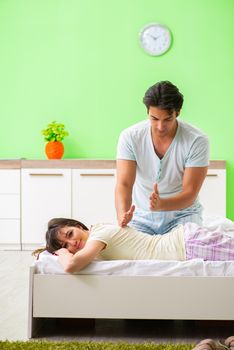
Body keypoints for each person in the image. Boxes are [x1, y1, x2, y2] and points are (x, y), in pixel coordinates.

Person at [115, 80, 210, 235]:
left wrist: (161, 205)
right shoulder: (130, 137)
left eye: (167, 119)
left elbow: (190, 192)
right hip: (142, 216)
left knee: (187, 247)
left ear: (177, 113)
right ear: (147, 113)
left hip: (184, 215)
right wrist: (122, 216)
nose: (160, 126)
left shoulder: (197, 140)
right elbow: (124, 184)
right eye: (154, 119)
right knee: (125, 249)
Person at [36, 217, 234, 274]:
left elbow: (71, 266)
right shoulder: (96, 237)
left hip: (187, 244)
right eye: (66, 244)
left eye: (70, 234)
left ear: (79, 225)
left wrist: (61, 251)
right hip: (186, 243)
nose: (72, 243)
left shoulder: (99, 236)